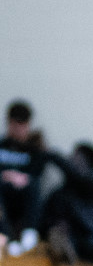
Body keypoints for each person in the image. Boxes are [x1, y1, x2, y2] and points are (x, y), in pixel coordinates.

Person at [0, 100, 48, 254]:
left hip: (23, 194)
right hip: (3, 191)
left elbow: (37, 172)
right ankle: (7, 237)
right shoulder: (2, 145)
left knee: (33, 185)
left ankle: (29, 234)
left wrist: (20, 177)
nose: (19, 130)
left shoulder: (34, 149)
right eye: (16, 125)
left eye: (23, 126)